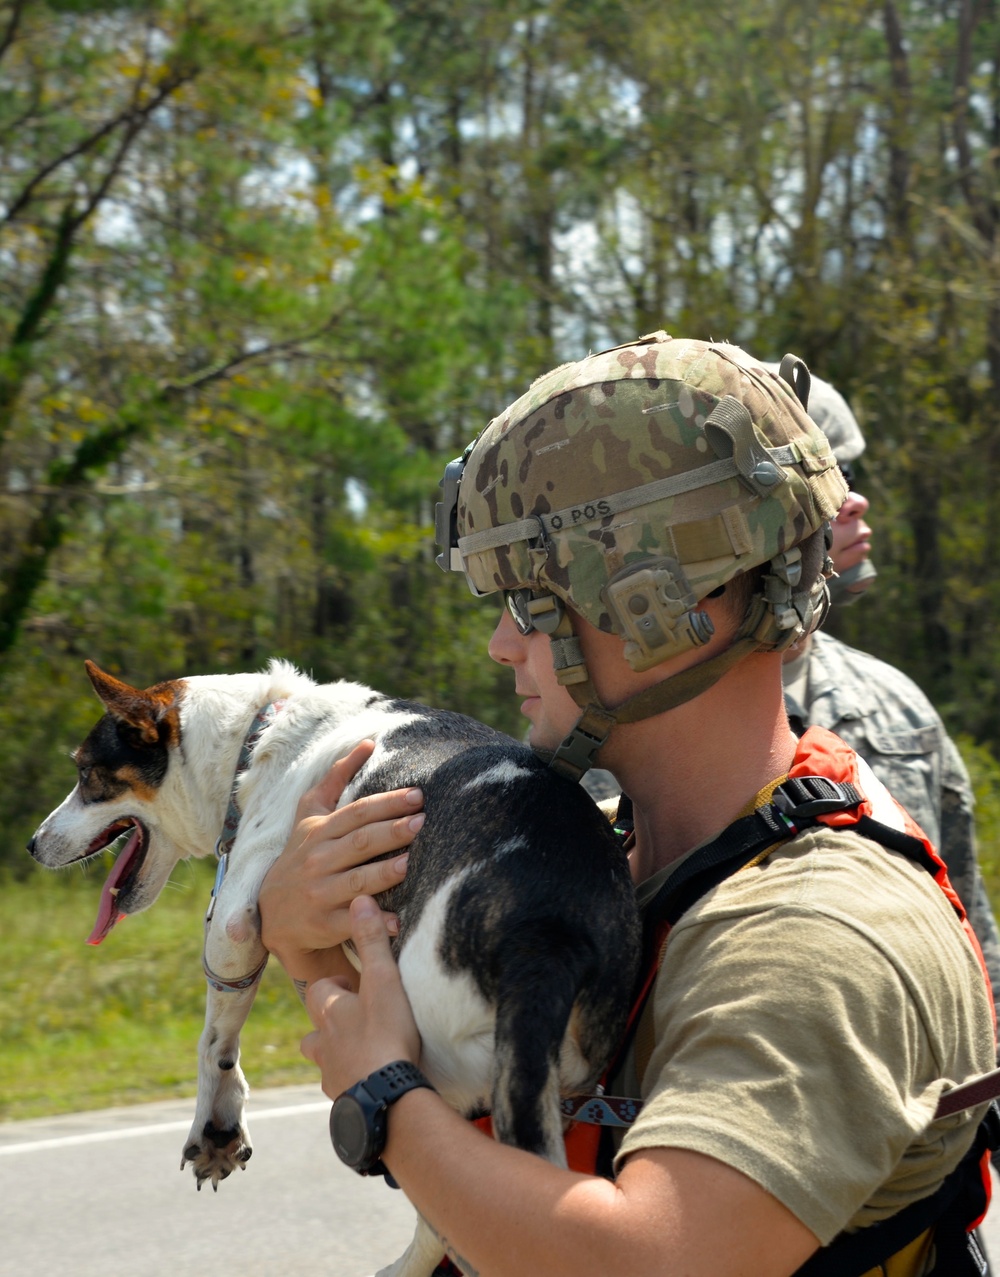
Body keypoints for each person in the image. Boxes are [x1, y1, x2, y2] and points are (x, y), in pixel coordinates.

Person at [259, 336, 996, 1277]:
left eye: (527, 604)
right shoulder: (611, 853)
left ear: (661, 603)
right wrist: (305, 944)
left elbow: (650, 1260)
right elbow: (491, 1176)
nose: (499, 645)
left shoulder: (816, 934)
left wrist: (388, 1106)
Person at [778, 371, 1000, 1003]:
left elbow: (969, 926)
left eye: (854, 477)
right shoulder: (645, 726)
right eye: (827, 482)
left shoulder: (897, 703)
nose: (856, 503)